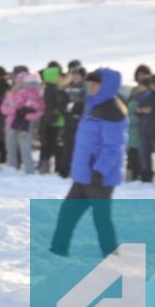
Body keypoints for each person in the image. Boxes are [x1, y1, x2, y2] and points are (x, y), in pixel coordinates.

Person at [50, 68, 128, 257]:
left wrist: (99, 171)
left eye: (95, 83)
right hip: (84, 175)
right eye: (90, 83)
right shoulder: (94, 105)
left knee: (101, 221)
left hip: (99, 178)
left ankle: (113, 258)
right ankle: (57, 252)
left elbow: (113, 147)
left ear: (106, 86)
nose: (90, 86)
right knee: (67, 214)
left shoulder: (113, 111)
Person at [1, 71, 45, 174]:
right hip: (10, 125)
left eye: (23, 81)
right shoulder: (11, 94)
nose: (20, 83)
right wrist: (16, 111)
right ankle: (11, 169)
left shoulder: (33, 94)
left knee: (25, 150)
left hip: (25, 125)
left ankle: (29, 172)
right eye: (18, 81)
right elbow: (3, 108)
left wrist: (27, 116)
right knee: (10, 150)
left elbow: (39, 111)